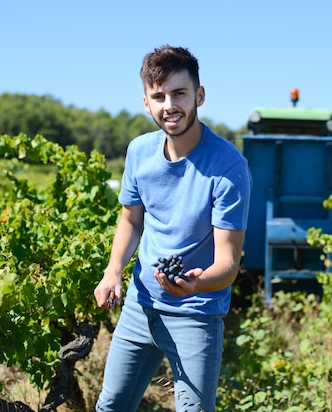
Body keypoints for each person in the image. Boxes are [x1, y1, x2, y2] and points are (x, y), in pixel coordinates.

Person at [93, 45, 252, 412]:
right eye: (159, 96)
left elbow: (228, 263)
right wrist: (113, 272)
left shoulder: (228, 167)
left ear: (199, 95)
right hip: (141, 305)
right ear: (146, 103)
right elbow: (131, 220)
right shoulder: (138, 152)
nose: (169, 105)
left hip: (196, 312)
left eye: (179, 93)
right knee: (111, 406)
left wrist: (196, 283)